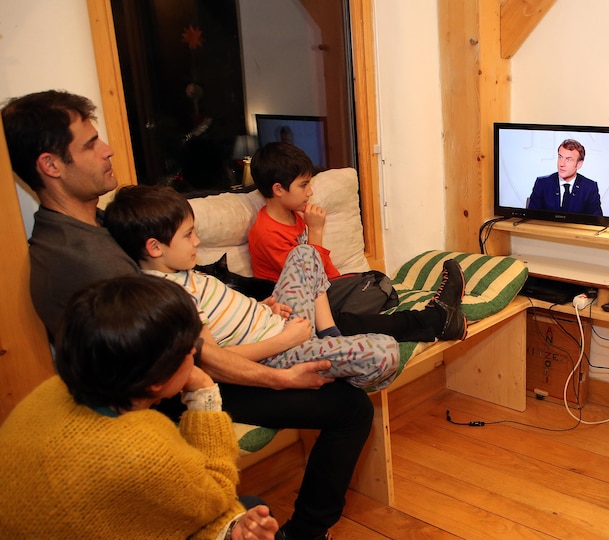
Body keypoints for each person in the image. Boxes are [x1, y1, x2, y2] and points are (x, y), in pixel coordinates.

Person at [2, 89, 361, 539]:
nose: (107, 149)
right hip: (173, 386)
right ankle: (305, 533)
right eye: (90, 143)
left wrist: (261, 305)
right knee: (349, 407)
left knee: (342, 346)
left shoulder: (100, 226)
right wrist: (282, 378)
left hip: (193, 362)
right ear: (51, 165)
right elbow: (198, 356)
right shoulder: (80, 260)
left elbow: (196, 295)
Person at [0, 275, 279, 539]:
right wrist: (204, 392)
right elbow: (215, 495)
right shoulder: (142, 449)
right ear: (156, 380)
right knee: (253, 507)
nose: (195, 351)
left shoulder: (51, 390)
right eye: (187, 348)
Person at [104, 184, 401, 391]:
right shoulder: (169, 298)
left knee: (305, 253)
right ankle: (332, 371)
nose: (197, 241)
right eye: (188, 235)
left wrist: (261, 307)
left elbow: (222, 314)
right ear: (155, 247)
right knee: (386, 351)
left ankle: (329, 335)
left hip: (283, 323)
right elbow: (216, 360)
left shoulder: (183, 271)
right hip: (275, 354)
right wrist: (285, 340)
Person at [248, 141, 467, 342]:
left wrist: (344, 286)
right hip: (298, 308)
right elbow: (309, 280)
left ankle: (345, 322)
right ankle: (434, 319)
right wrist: (315, 231)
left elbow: (326, 277)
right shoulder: (266, 233)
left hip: (323, 296)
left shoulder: (296, 216)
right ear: (278, 189)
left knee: (377, 284)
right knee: (376, 286)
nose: (310, 192)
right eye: (303, 185)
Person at [527, 138, 602, 215]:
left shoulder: (589, 188)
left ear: (579, 164)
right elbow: (531, 217)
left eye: (568, 159)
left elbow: (596, 220)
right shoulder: (542, 184)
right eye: (560, 157)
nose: (562, 164)